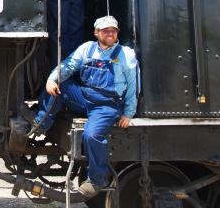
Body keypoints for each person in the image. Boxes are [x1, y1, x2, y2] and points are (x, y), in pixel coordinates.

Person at [29, 15, 139, 199]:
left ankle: (97, 179)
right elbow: (69, 65)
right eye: (106, 31)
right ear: (97, 33)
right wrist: (52, 78)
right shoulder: (87, 49)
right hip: (85, 97)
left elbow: (134, 86)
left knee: (92, 135)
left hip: (106, 105)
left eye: (113, 30)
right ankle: (40, 123)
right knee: (60, 87)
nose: (110, 33)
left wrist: (128, 113)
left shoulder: (125, 54)